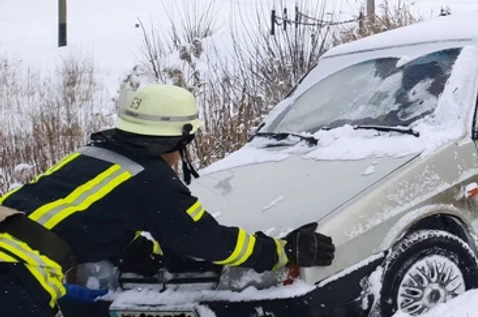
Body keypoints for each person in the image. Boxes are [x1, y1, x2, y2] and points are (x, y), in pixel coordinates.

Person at [0, 84, 335, 317]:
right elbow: (206, 239)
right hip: (12, 278)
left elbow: (81, 216)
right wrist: (281, 252)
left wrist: (140, 252)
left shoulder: (91, 155)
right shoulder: (149, 178)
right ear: (182, 137)